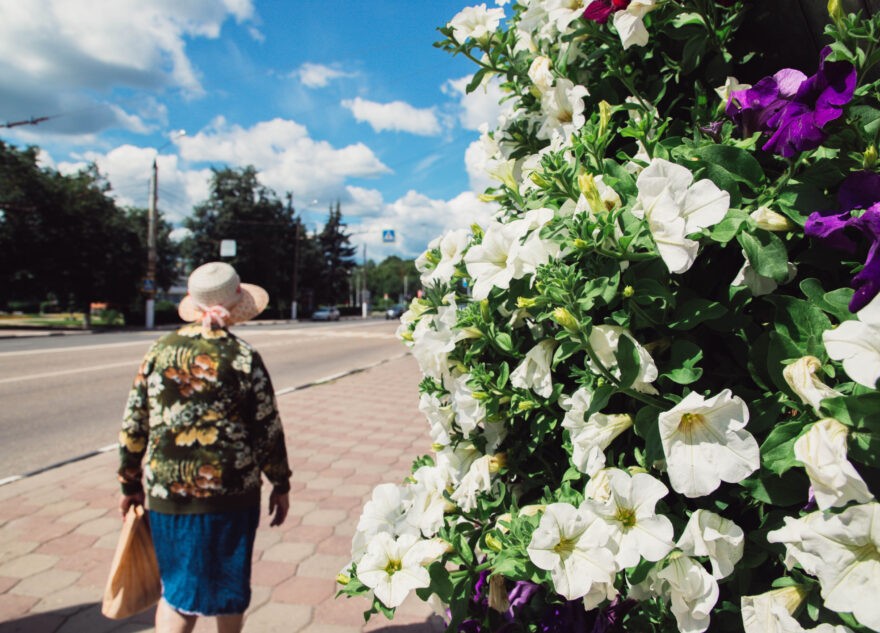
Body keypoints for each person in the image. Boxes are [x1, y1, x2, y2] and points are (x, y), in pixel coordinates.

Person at [117, 262, 292, 633]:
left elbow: (135, 424)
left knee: (177, 594)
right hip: (232, 494)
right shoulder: (243, 357)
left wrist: (129, 484)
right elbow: (267, 429)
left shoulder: (159, 351)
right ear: (237, 304)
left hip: (169, 492)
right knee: (229, 589)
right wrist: (281, 483)